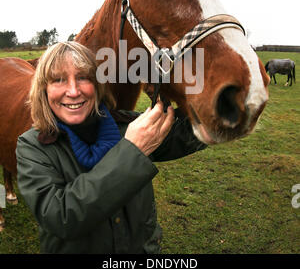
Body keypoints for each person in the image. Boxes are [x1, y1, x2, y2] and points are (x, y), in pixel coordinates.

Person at [16, 41, 207, 254]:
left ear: (97, 85)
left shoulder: (128, 126)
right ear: (43, 90)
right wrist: (132, 150)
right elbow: (61, 217)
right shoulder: (32, 147)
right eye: (58, 80)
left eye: (83, 77)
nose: (73, 91)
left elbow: (195, 128)